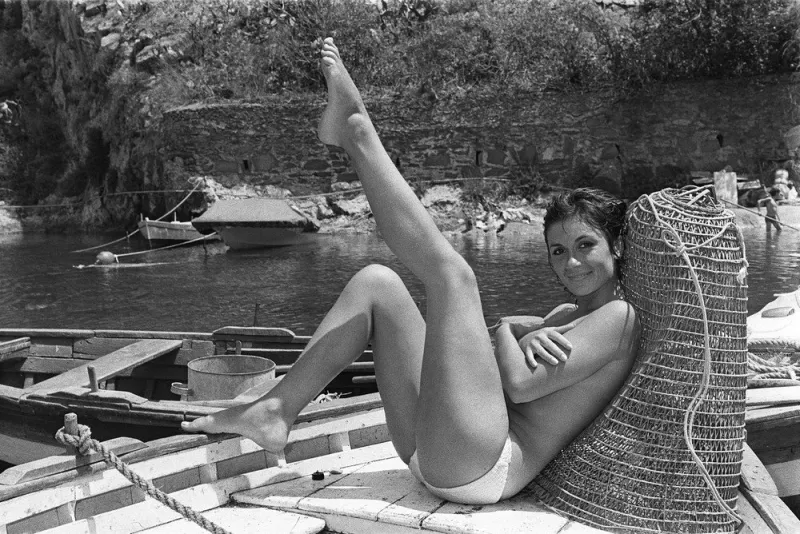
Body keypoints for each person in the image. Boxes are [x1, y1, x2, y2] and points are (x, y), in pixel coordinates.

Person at [182, 38, 641, 504]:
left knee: (453, 276)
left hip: (486, 465)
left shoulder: (621, 318)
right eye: (559, 251)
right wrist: (520, 335)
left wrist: (508, 329)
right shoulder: (566, 313)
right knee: (376, 283)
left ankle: (357, 130)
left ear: (617, 245)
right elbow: (476, 365)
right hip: (437, 448)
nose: (571, 262)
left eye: (586, 245)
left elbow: (520, 386)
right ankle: (276, 410)